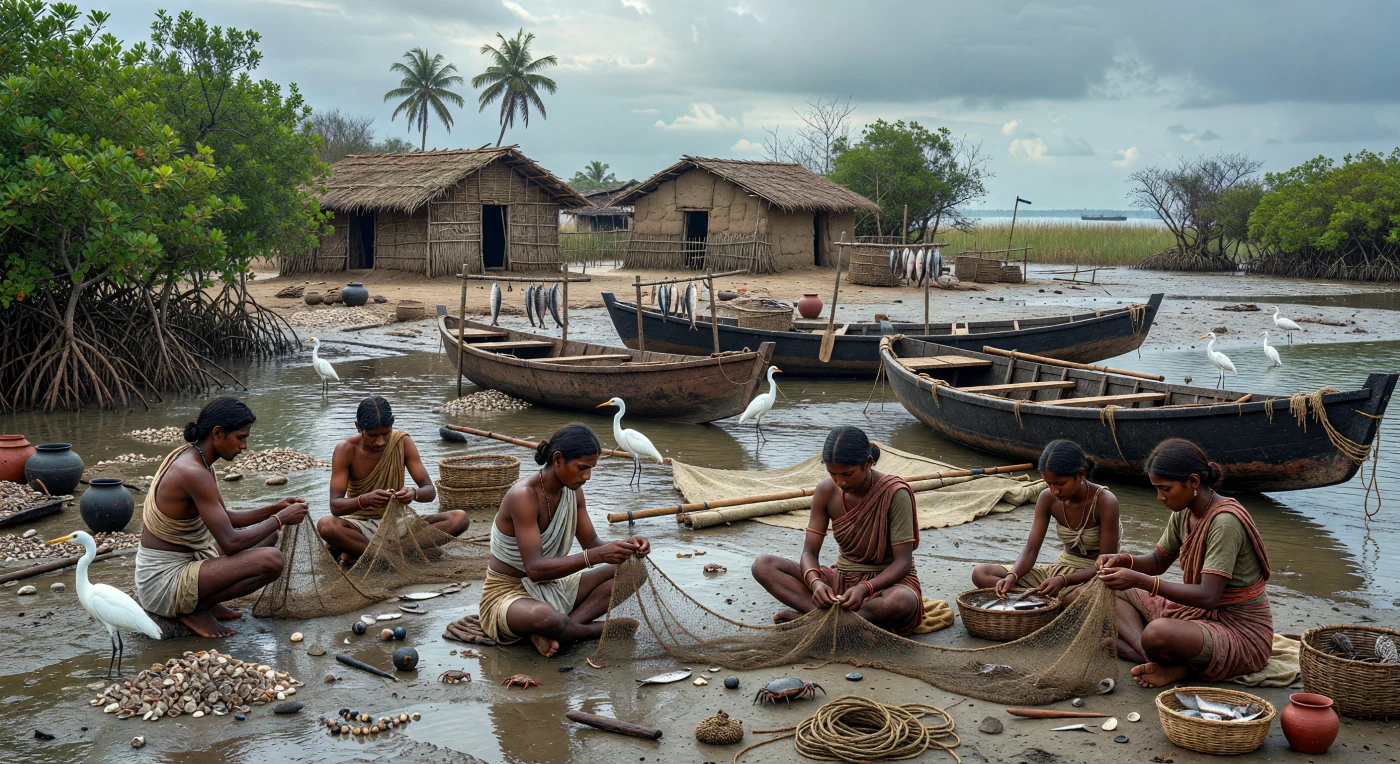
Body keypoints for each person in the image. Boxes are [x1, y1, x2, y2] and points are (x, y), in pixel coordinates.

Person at [1095, 438, 1273, 688]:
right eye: (1157, 489)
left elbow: (1208, 597)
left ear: (1193, 481)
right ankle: (1148, 655)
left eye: (1165, 488)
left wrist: (1140, 580)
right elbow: (1158, 561)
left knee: (1157, 633)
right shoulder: (1184, 512)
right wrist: (1124, 560)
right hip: (1197, 614)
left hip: (1240, 630)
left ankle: (1155, 655)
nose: (1160, 497)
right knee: (1113, 590)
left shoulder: (1224, 523)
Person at [135, 398, 309, 638]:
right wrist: (281, 518)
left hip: (184, 564)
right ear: (217, 433)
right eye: (240, 437)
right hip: (163, 584)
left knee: (269, 536)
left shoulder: (199, 460)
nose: (244, 446)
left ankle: (207, 600)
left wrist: (274, 509)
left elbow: (225, 518)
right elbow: (230, 542)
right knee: (272, 561)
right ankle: (195, 609)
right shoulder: (194, 472)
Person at [478, 423, 650, 658]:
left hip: (555, 584)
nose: (587, 476)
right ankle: (588, 630)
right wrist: (596, 556)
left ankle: (560, 631)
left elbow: (591, 542)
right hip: (508, 593)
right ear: (558, 459)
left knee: (635, 570)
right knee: (545, 618)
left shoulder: (573, 490)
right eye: (582, 468)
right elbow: (536, 569)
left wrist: (627, 545)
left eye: (591, 469)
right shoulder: (523, 496)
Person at [751, 425, 923, 633]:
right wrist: (815, 583)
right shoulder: (825, 491)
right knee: (763, 565)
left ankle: (815, 622)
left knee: (902, 601)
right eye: (833, 474)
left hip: (886, 583)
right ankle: (837, 624)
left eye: (848, 474)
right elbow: (809, 552)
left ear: (868, 463)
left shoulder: (894, 493)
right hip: (841, 580)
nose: (840, 482)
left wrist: (865, 588)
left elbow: (903, 562)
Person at [318, 396, 468, 563]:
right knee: (326, 526)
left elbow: (430, 491)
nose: (380, 442)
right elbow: (335, 507)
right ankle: (402, 554)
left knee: (459, 519)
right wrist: (365, 500)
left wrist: (413, 493)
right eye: (372, 435)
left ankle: (374, 555)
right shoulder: (345, 450)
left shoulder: (402, 442)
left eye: (386, 433)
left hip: (398, 523)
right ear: (358, 427)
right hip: (361, 526)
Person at [972, 440, 1120, 598]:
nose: (1054, 491)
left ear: (1081, 474)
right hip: (1061, 569)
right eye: (1048, 483)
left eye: (1060, 484)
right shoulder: (1047, 498)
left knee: (1080, 597)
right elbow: (1031, 550)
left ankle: (1033, 600)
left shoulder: (1105, 501)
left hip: (1093, 575)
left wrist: (1063, 580)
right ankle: (1036, 600)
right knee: (981, 573)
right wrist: (1012, 576)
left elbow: (1105, 565)